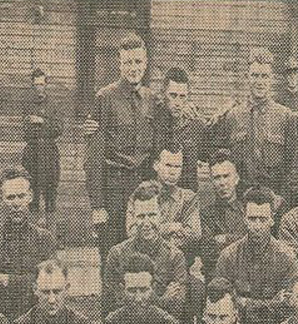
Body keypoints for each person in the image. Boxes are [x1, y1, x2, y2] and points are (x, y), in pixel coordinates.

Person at [83, 32, 157, 264]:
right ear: (120, 64)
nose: (133, 68)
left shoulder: (152, 99)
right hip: (114, 189)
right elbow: (93, 158)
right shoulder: (105, 98)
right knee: (112, 257)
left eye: (137, 62)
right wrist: (97, 205)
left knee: (142, 257)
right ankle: (109, 302)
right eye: (127, 62)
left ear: (145, 63)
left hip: (143, 187)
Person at [209, 47, 298, 200]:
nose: (260, 82)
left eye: (264, 76)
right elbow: (219, 161)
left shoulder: (285, 116)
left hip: (274, 199)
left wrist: (283, 198)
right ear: (247, 77)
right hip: (240, 199)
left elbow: (293, 165)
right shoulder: (232, 116)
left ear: (271, 78)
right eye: (255, 75)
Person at [215, 186, 298, 324]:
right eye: (252, 219)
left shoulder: (287, 258)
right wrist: (271, 304)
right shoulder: (228, 256)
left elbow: (290, 306)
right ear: (244, 219)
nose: (258, 226)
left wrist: (246, 303)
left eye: (263, 219)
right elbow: (220, 303)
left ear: (272, 219)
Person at [0, 167, 58, 320]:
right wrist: (28, 279)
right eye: (10, 197)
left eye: (21, 196)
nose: (16, 203)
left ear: (30, 197)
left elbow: (47, 284)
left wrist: (8, 280)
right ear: (1, 198)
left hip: (35, 320)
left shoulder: (45, 239)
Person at [102, 181, 188, 318]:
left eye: (152, 215)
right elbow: (110, 303)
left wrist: (130, 296)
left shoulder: (175, 256)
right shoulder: (117, 253)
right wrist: (161, 300)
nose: (146, 223)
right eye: (141, 216)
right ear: (134, 217)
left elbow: (177, 306)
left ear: (161, 214)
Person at [125, 148, 202, 259]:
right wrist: (169, 228)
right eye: (168, 165)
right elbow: (132, 233)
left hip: (176, 264)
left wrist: (152, 237)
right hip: (144, 266)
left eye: (177, 167)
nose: (172, 172)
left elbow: (194, 234)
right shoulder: (140, 194)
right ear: (156, 165)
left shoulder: (188, 198)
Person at [152, 68, 210, 195]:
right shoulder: (154, 123)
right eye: (173, 95)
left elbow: (208, 156)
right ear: (164, 94)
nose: (178, 103)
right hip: (157, 198)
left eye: (182, 96)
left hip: (187, 201)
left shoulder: (197, 127)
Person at [21, 68, 63, 230]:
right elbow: (26, 131)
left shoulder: (53, 105)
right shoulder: (27, 105)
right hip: (32, 154)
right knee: (32, 196)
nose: (39, 87)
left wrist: (41, 121)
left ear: (46, 84)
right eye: (36, 84)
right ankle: (32, 235)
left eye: (41, 84)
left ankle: (51, 236)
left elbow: (58, 128)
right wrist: (42, 127)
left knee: (51, 195)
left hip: (49, 155)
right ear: (32, 86)